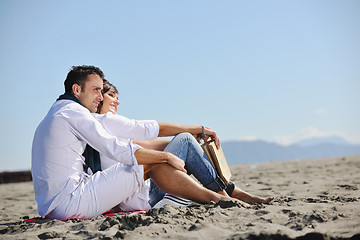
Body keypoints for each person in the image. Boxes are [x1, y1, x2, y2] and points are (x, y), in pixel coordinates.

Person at [31, 65, 241, 220]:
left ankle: (221, 195)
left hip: (54, 205)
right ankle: (220, 198)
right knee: (144, 161)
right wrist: (165, 156)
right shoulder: (73, 113)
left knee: (149, 156)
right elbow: (116, 149)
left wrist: (174, 146)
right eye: (96, 90)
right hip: (70, 203)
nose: (100, 96)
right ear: (77, 90)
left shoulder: (59, 112)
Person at [95, 79, 274, 207]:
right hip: (141, 196)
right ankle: (227, 193)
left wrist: (187, 145)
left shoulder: (105, 131)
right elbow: (158, 128)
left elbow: (150, 146)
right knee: (186, 139)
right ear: (100, 98)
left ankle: (229, 191)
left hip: (139, 195)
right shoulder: (105, 121)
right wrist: (197, 130)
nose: (117, 102)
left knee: (185, 141)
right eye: (112, 96)